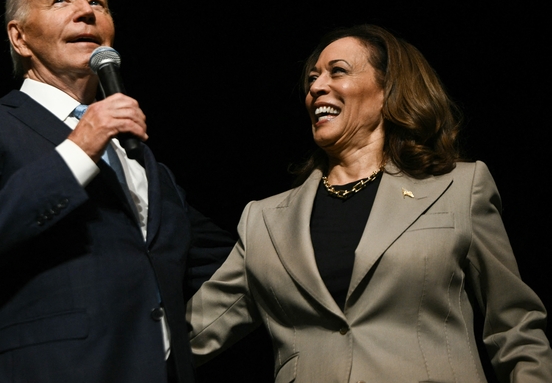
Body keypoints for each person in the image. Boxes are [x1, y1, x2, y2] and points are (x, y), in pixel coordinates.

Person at [0, 0, 234, 383]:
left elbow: (239, 265)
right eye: (62, 0)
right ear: (20, 38)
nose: (86, 11)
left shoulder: (146, 165)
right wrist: (79, 149)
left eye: (97, 2)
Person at [186, 24, 552, 382]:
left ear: (387, 90)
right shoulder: (263, 220)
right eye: (312, 78)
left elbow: (515, 326)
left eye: (337, 72)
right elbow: (188, 336)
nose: (316, 87)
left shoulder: (459, 188)